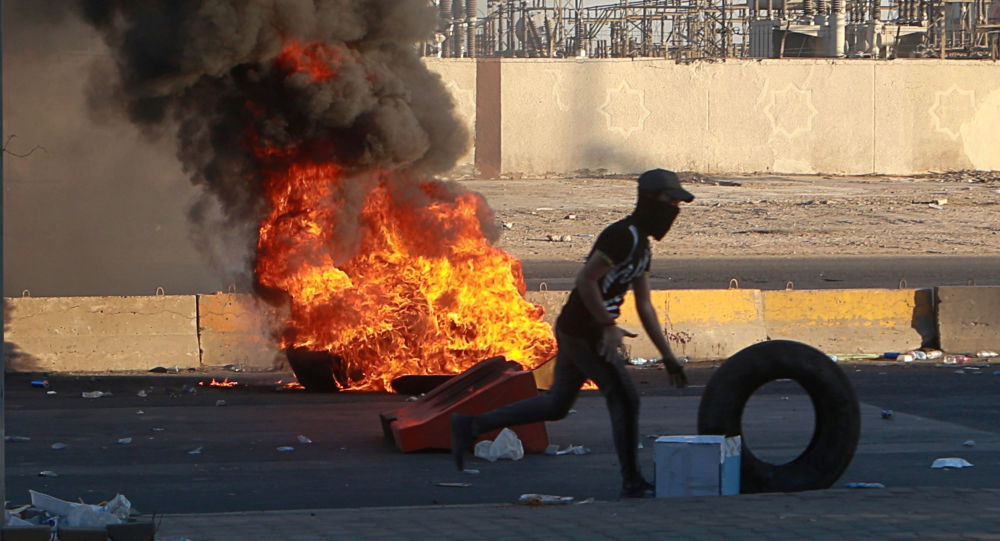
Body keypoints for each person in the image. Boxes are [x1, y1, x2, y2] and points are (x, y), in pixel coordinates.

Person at [451, 168, 692, 498]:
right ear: (650, 200)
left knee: (556, 405)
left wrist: (669, 357)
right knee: (625, 399)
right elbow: (586, 280)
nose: (674, 210)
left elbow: (645, 306)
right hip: (584, 332)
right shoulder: (622, 236)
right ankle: (632, 481)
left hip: (580, 330)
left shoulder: (643, 249)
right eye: (670, 201)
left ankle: (471, 425)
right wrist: (607, 326)